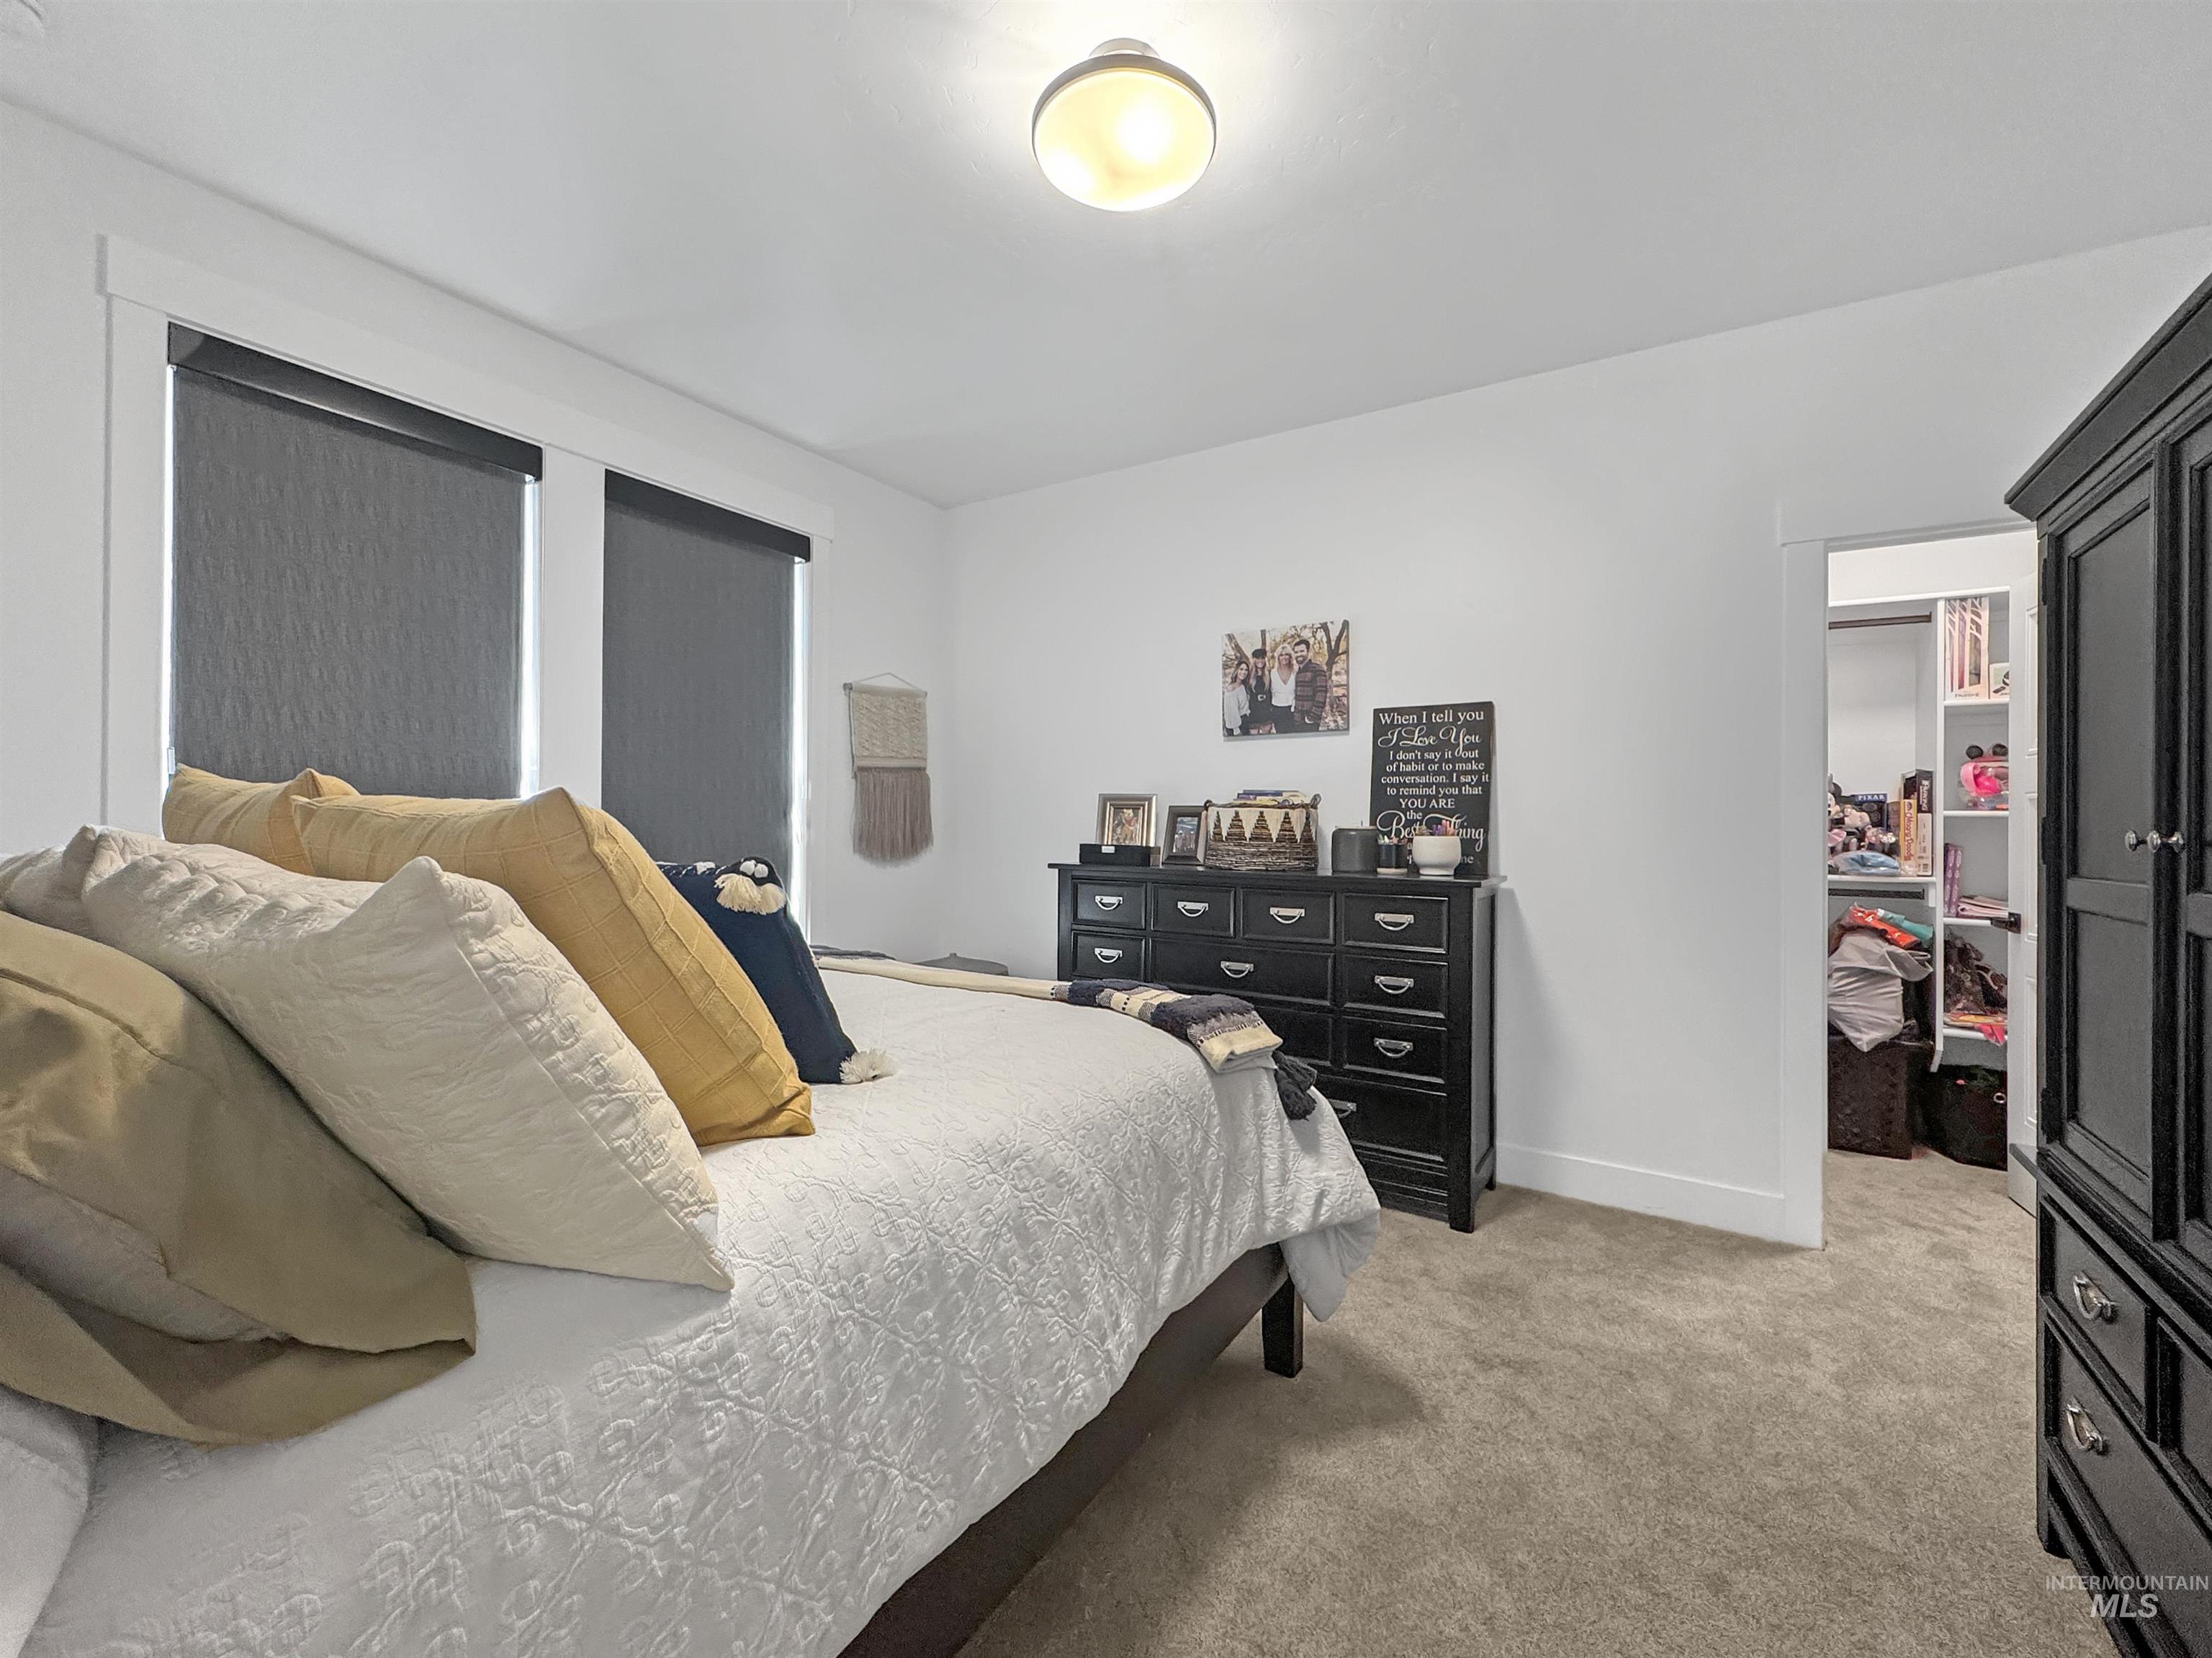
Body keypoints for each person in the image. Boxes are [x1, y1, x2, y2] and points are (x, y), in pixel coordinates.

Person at [1292, 635, 1328, 731]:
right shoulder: (1298, 672)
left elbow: (1321, 695)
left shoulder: (1318, 669)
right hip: (1298, 720)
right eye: (1296, 652)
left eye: (1302, 651)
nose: (1299, 654)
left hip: (1310, 722)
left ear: (1308, 652)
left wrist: (1312, 717)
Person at [1267, 643, 1298, 732]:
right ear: (1278, 657)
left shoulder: (1296, 672)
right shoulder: (1272, 673)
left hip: (1292, 710)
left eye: (1286, 655)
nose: (1284, 657)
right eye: (1281, 655)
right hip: (1277, 710)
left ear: (1290, 657)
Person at [1222, 655, 1251, 736]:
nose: (1244, 672)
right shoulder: (1231, 689)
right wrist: (1236, 730)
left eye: (1246, 670)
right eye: (1241, 669)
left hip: (1245, 722)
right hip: (1237, 727)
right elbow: (1231, 713)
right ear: (1236, 671)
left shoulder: (1243, 686)